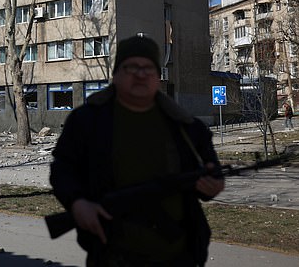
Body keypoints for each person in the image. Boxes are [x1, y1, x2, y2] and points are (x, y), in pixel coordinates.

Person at [50, 34, 225, 266]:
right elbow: (62, 169)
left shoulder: (185, 125)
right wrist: (77, 203)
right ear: (115, 75)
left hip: (177, 255)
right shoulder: (86, 120)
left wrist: (212, 186)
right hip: (111, 254)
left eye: (148, 68)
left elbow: (210, 175)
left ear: (158, 76)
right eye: (131, 67)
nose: (141, 74)